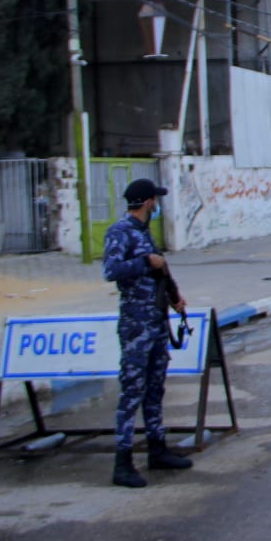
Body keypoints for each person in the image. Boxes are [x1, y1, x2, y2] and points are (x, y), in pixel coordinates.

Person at [102, 178, 193, 488]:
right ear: (145, 202)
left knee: (155, 389)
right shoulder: (120, 232)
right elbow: (111, 271)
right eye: (154, 199)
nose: (157, 204)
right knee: (132, 392)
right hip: (135, 325)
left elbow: (160, 273)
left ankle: (158, 449)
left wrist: (174, 298)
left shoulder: (144, 233)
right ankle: (123, 461)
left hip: (155, 322)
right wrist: (144, 262)